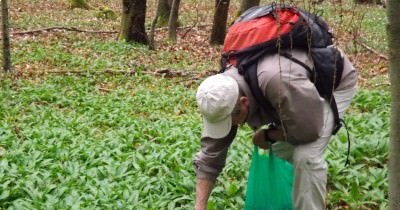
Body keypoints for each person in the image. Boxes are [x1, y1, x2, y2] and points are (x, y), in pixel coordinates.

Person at [193, 49, 357, 210]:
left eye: (230, 122)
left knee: (306, 156)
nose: (229, 127)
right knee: (281, 149)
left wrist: (269, 135)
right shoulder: (219, 95)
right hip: (296, 94)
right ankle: (301, 188)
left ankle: (309, 197)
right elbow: (210, 157)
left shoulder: (276, 82)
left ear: (244, 103)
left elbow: (310, 129)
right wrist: (200, 206)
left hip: (332, 83)